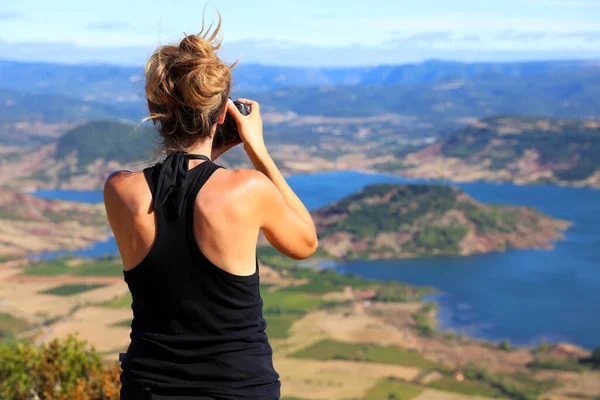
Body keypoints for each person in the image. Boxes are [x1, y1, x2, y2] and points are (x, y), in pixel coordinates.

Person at [103, 13, 318, 400]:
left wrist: (207, 153)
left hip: (149, 387)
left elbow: (182, 191)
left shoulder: (119, 191)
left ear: (157, 110)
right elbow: (305, 242)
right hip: (238, 389)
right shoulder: (248, 189)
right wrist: (258, 151)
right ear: (222, 114)